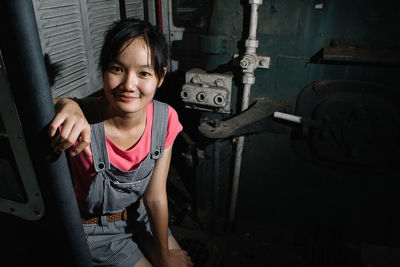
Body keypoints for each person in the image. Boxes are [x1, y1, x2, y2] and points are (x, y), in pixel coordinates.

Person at [48, 18, 193, 267]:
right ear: (103, 69)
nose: (128, 85)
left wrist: (164, 254)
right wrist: (62, 102)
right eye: (117, 69)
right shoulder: (78, 121)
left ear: (160, 77)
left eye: (144, 73)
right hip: (95, 234)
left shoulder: (165, 118)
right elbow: (15, 119)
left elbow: (155, 197)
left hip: (141, 216)